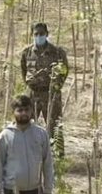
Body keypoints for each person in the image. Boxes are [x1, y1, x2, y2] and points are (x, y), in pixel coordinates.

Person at [20, 23, 70, 151]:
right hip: (32, 95)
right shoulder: (27, 52)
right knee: (27, 127)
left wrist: (55, 87)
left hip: (50, 95)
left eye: (41, 34)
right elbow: (24, 72)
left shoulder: (57, 52)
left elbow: (64, 72)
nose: (39, 36)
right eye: (36, 34)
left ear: (47, 34)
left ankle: (57, 159)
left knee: (55, 129)